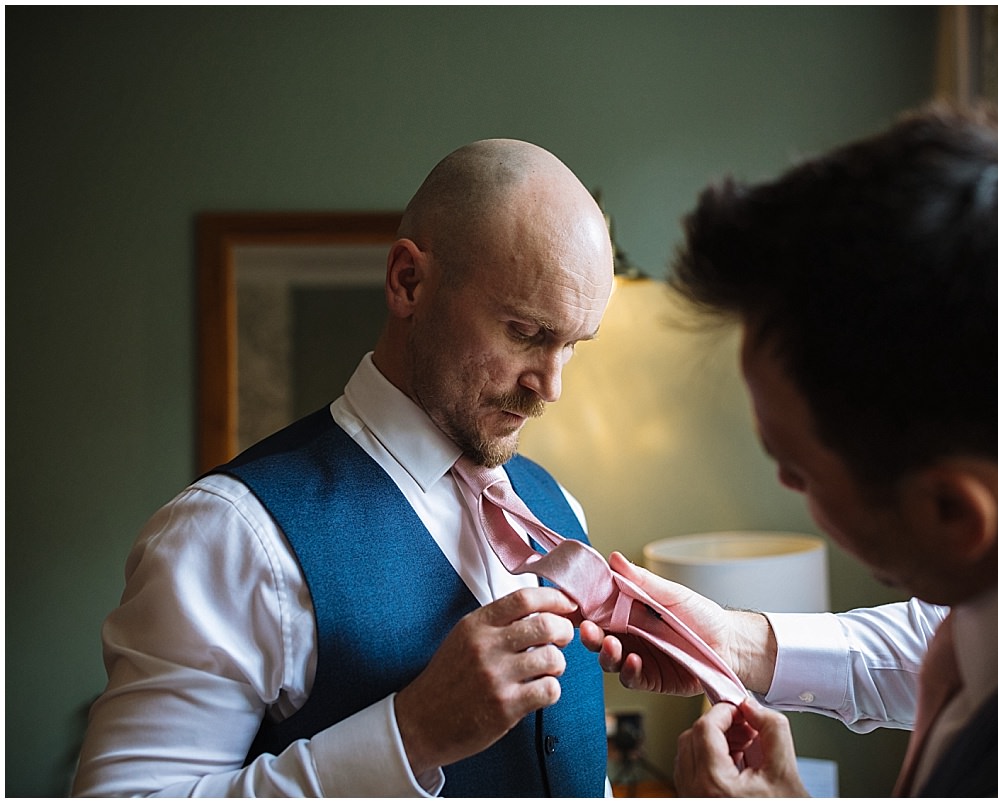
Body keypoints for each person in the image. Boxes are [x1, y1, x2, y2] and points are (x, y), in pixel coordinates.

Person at [581, 104, 998, 796]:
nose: (784, 481)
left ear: (952, 511)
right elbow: (946, 637)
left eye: (797, 468)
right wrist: (730, 640)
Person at [73, 139, 616, 796]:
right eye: (526, 332)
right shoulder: (228, 535)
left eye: (572, 345)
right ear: (408, 281)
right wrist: (408, 734)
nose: (550, 386)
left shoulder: (558, 508)